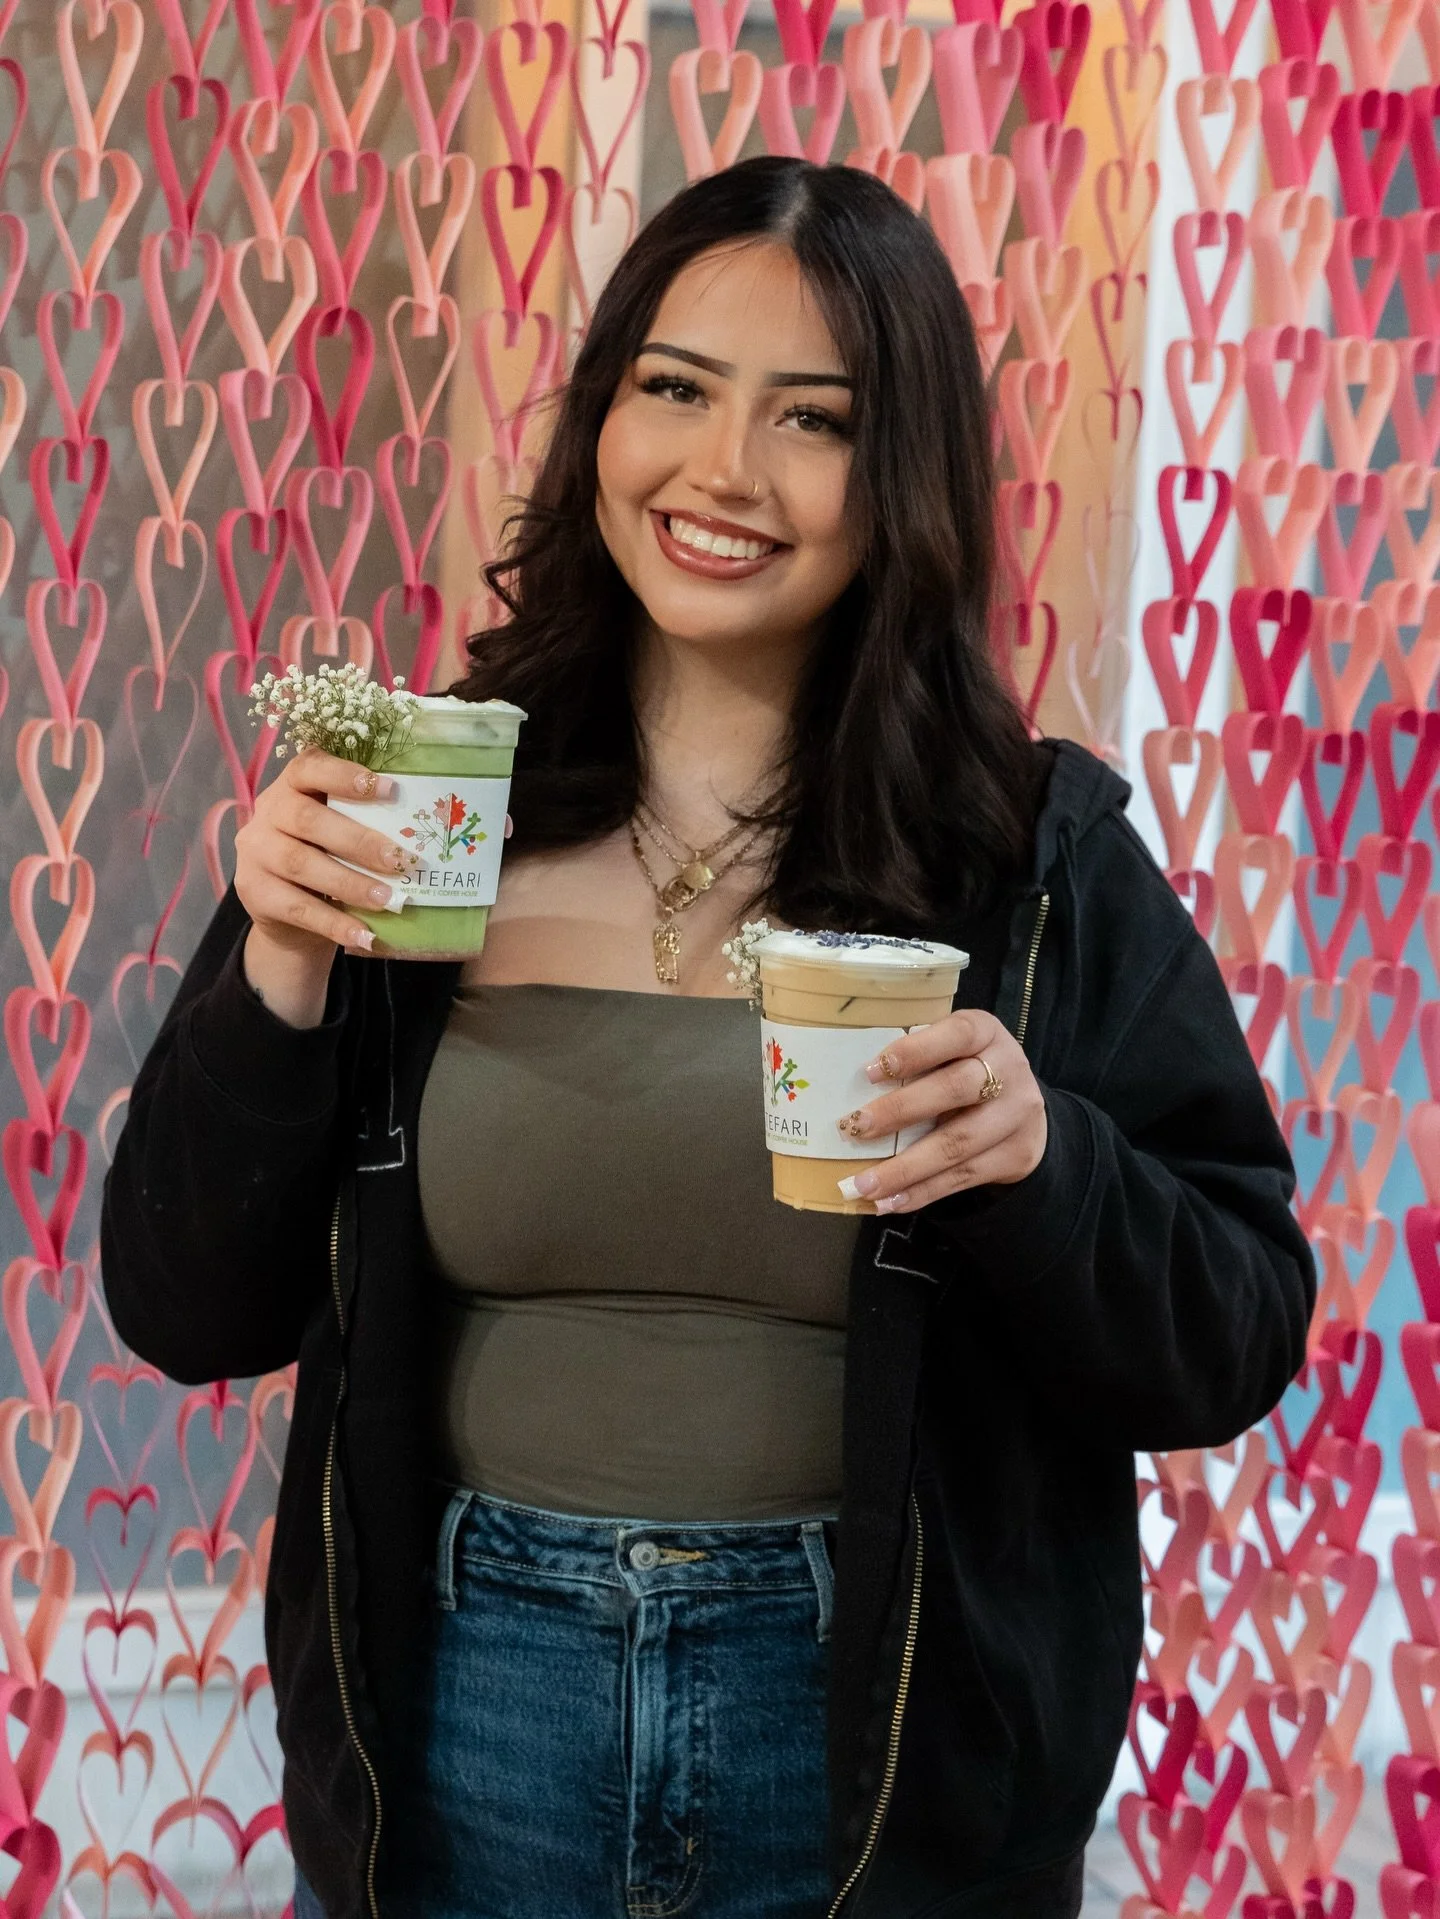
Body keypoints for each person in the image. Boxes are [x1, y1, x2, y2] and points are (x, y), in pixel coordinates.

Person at [100, 157, 1314, 1919]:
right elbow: (180, 1305)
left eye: (813, 418)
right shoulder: (421, 807)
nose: (724, 470)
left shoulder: (1027, 856)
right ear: (602, 415)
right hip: (463, 1708)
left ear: (899, 477)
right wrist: (280, 966)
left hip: (868, 1746)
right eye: (674, 387)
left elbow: (1238, 1325)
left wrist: (1045, 1163)